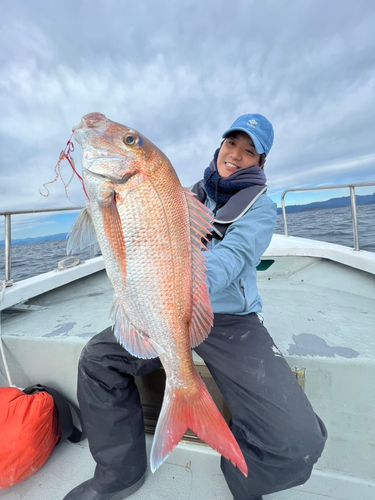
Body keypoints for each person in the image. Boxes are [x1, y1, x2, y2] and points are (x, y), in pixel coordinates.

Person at [63, 114, 327, 500]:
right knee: (97, 360)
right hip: (163, 307)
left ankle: (242, 479)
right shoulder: (187, 193)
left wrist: (180, 286)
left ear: (261, 162)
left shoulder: (261, 208)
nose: (235, 155)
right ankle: (119, 475)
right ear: (220, 145)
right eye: (231, 144)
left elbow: (233, 257)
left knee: (298, 439)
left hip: (229, 321)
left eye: (249, 151)